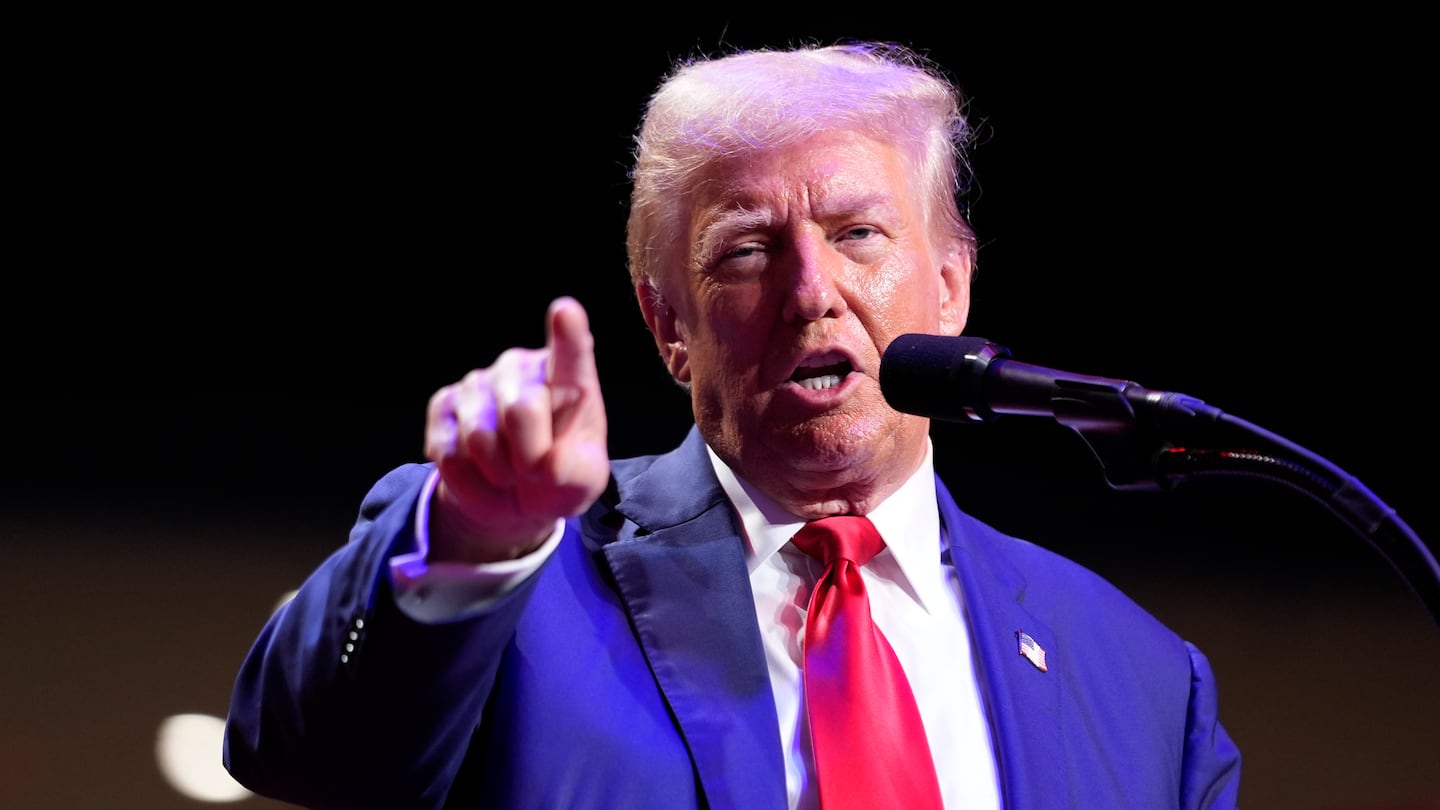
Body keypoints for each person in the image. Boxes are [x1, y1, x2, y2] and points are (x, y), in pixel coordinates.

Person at [222, 40, 1242, 809]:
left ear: (948, 286)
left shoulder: (1144, 680)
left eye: (858, 235)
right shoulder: (516, 573)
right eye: (748, 251)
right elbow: (302, 750)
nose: (812, 291)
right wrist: (474, 538)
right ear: (669, 325)